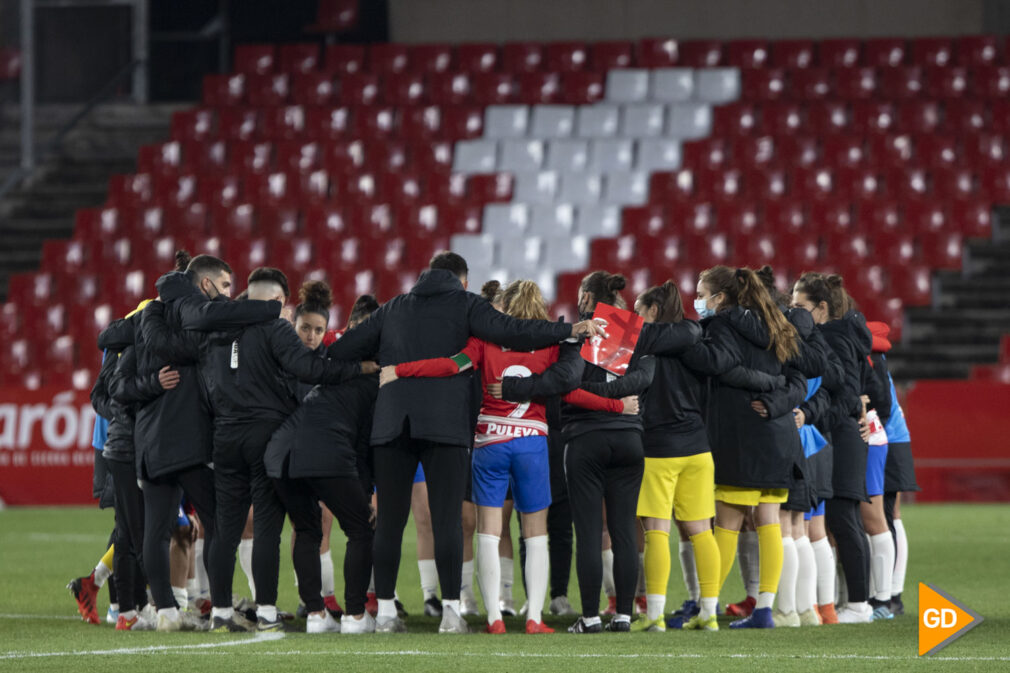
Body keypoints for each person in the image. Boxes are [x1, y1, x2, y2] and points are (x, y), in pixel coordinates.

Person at [328, 251, 605, 634]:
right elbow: (514, 332)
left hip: (392, 423)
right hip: (447, 426)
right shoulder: (467, 304)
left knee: (390, 523)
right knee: (447, 522)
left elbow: (341, 349)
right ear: (462, 281)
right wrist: (569, 330)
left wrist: (377, 365)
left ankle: (387, 612)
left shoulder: (393, 308)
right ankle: (451, 613)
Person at [148, 266, 375, 632]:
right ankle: (267, 611)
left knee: (224, 526)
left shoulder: (212, 330)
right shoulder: (275, 328)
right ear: (277, 301)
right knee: (267, 526)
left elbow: (172, 351)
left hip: (224, 437)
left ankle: (221, 611)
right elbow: (308, 368)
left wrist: (155, 312)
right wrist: (358, 368)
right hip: (265, 437)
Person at [136, 256, 289, 631]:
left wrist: (149, 383)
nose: (227, 295)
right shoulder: (207, 325)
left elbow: (113, 351)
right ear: (204, 286)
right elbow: (206, 321)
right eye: (223, 286)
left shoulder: (149, 319)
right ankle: (241, 607)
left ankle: (181, 611)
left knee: (157, 530)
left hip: (160, 439)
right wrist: (267, 309)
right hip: (197, 440)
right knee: (229, 524)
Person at [563, 271, 700, 634]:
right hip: (629, 439)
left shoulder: (577, 334)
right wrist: (619, 404)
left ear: (590, 300)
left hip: (586, 437)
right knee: (624, 530)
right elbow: (644, 379)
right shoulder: (638, 335)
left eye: (581, 295)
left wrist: (597, 399)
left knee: (591, 532)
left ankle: (591, 617)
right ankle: (624, 615)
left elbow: (567, 383)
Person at [681, 266, 804, 630]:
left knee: (727, 523)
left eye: (702, 293)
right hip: (779, 432)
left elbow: (724, 368)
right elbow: (797, 378)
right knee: (769, 521)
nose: (698, 299)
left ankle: (707, 608)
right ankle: (764, 609)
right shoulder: (779, 325)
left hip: (740, 432)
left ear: (721, 297)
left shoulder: (721, 326)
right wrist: (776, 398)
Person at [265, 292, 382, 634]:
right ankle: (356, 616)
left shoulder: (330, 367)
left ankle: (316, 614)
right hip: (326, 449)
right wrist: (366, 491)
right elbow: (363, 444)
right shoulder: (375, 378)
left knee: (307, 529)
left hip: (280, 453)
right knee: (360, 528)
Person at [792, 272, 875, 624]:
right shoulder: (844, 333)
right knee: (842, 521)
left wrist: (818, 416)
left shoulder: (833, 336)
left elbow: (847, 392)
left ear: (821, 307)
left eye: (800, 306)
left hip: (840, 435)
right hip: (843, 433)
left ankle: (859, 603)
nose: (793, 313)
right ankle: (851, 600)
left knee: (843, 518)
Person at [866, 320, 917, 617]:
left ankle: (890, 595)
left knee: (887, 516)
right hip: (893, 436)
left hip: (887, 437)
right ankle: (890, 593)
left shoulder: (869, 355)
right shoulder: (875, 353)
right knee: (889, 516)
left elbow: (882, 404)